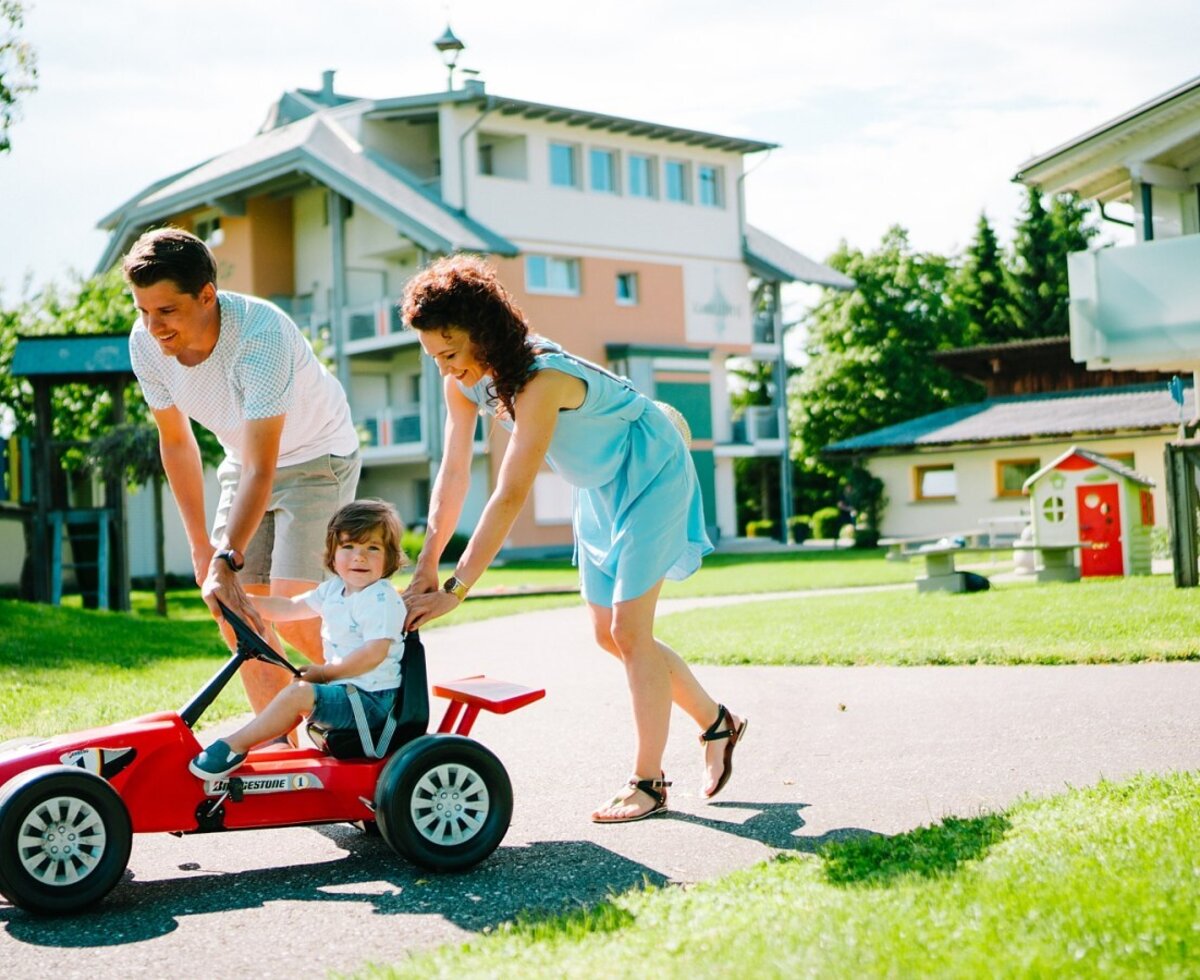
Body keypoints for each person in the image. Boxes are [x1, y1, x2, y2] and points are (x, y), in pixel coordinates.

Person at [400, 255, 748, 824]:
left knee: (629, 631)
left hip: (650, 468)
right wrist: (426, 564)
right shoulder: (461, 383)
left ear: (483, 335)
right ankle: (717, 722)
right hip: (599, 485)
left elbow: (510, 493)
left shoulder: (541, 378)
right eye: (434, 356)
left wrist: (457, 589)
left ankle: (649, 783)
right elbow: (454, 473)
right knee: (609, 636)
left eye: (451, 352)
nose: (445, 367)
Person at [123, 227, 361, 722]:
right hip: (243, 461)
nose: (154, 326)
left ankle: (378, 699)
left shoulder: (260, 335)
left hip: (317, 458)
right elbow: (176, 442)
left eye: (167, 310)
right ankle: (277, 745)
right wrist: (200, 548)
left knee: (294, 611)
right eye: (144, 311)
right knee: (235, 611)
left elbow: (264, 465)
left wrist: (225, 556)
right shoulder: (145, 345)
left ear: (206, 295)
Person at [189, 500, 407, 778]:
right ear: (333, 554)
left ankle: (234, 746)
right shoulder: (334, 590)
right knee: (297, 688)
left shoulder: (380, 598)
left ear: (390, 558)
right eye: (349, 547)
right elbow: (290, 607)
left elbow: (374, 653)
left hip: (372, 703)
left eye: (372, 548)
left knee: (298, 693)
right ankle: (274, 746)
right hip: (352, 694)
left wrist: (326, 673)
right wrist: (240, 601)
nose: (359, 557)